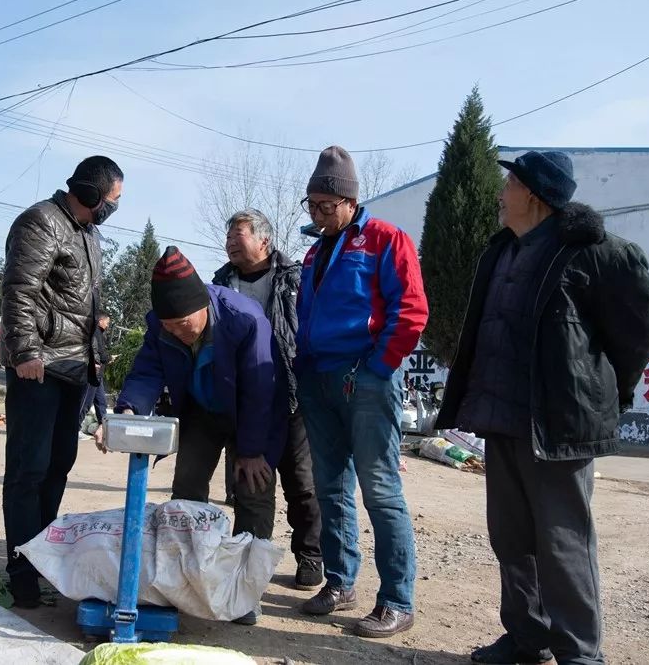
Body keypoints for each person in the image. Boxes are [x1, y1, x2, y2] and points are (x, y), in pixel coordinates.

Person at [434, 151, 649, 665]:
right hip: (500, 419)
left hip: (557, 426)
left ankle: (580, 653)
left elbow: (639, 333)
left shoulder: (596, 253)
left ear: (532, 196)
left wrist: (606, 393)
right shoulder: (501, 251)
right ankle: (526, 638)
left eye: (507, 183)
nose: (499, 192)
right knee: (511, 540)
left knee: (564, 546)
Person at [103, 246, 283, 625]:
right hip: (201, 411)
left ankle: (243, 592)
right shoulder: (162, 324)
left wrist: (251, 451)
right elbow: (147, 370)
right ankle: (184, 580)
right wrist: (128, 409)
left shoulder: (244, 320)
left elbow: (260, 391)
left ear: (202, 306)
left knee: (253, 489)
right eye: (168, 327)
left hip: (251, 412)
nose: (176, 332)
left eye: (183, 324)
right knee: (186, 489)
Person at [295, 146, 428, 639]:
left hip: (365, 378)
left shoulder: (386, 240)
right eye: (310, 205)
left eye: (325, 205)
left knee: (380, 490)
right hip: (318, 381)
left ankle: (397, 599)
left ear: (350, 200)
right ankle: (340, 581)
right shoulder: (314, 252)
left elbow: (410, 311)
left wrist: (378, 368)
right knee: (329, 488)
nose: (317, 213)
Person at [0, 155, 123, 609]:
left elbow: (80, 295)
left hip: (74, 367)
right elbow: (19, 290)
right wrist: (26, 350)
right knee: (28, 471)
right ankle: (20, 572)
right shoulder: (41, 222)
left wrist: (98, 321)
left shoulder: (87, 232)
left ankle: (41, 558)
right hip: (41, 368)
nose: (111, 209)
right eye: (110, 200)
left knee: (57, 466)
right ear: (90, 191)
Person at [212, 209, 324, 592]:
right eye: (228, 235)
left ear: (264, 240)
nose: (230, 241)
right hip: (245, 403)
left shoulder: (294, 279)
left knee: (303, 485)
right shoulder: (221, 283)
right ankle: (248, 564)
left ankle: (310, 556)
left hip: (292, 398)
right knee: (250, 484)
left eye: (238, 233)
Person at [78, 312, 111, 430]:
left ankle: (105, 429)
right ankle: (74, 428)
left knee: (101, 403)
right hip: (93, 373)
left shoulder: (100, 334)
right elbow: (98, 353)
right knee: (85, 403)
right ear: (100, 321)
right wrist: (108, 358)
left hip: (98, 375)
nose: (107, 325)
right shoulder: (95, 333)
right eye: (107, 322)